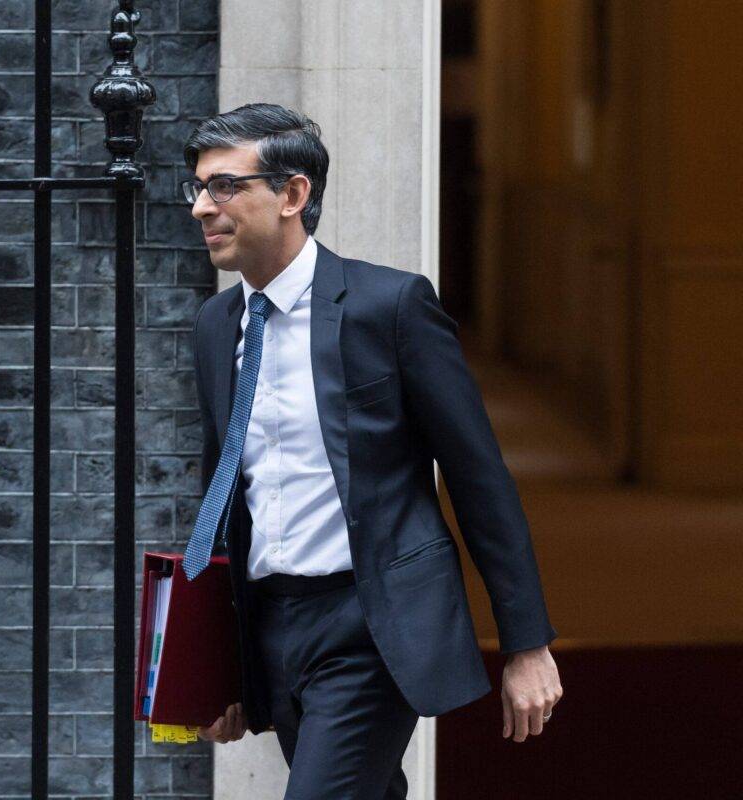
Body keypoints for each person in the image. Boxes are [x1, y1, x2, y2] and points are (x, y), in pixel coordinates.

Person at [179, 103, 563, 799]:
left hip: (372, 624)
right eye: (199, 188)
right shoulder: (217, 325)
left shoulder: (389, 307)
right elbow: (222, 492)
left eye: (225, 186)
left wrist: (526, 641)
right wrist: (217, 661)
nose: (204, 207)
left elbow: (478, 476)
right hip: (273, 623)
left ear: (293, 194)